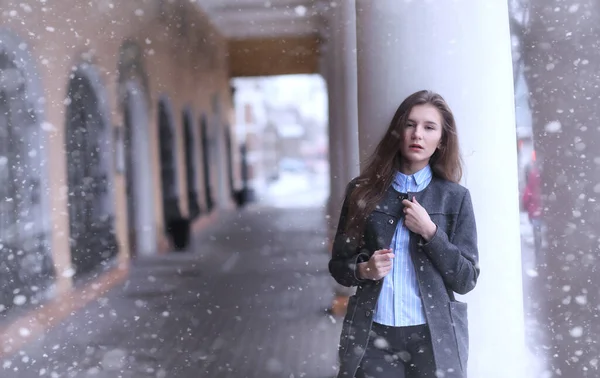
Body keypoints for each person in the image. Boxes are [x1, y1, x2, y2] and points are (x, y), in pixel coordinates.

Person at [329, 90, 479, 378]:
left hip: (434, 337)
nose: (417, 134)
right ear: (398, 132)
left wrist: (431, 233)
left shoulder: (455, 198)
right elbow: (339, 266)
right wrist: (364, 269)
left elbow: (466, 279)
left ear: (441, 141)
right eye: (410, 125)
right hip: (373, 335)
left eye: (429, 127)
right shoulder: (362, 192)